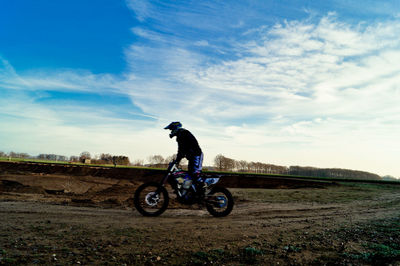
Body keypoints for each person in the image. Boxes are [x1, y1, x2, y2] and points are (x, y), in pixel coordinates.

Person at [164, 122, 204, 191]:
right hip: (192, 156)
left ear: (175, 128)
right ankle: (189, 191)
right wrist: (177, 161)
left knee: (195, 173)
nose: (171, 132)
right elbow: (180, 150)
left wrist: (178, 159)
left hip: (196, 155)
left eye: (171, 129)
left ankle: (202, 188)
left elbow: (183, 149)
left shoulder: (184, 133)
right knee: (189, 174)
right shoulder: (180, 135)